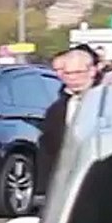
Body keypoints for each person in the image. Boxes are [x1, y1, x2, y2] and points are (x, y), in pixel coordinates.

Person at [37, 46, 99, 194]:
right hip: (65, 180)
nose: (72, 78)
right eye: (67, 73)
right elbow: (48, 148)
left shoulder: (106, 100)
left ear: (92, 71)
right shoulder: (57, 109)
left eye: (78, 72)